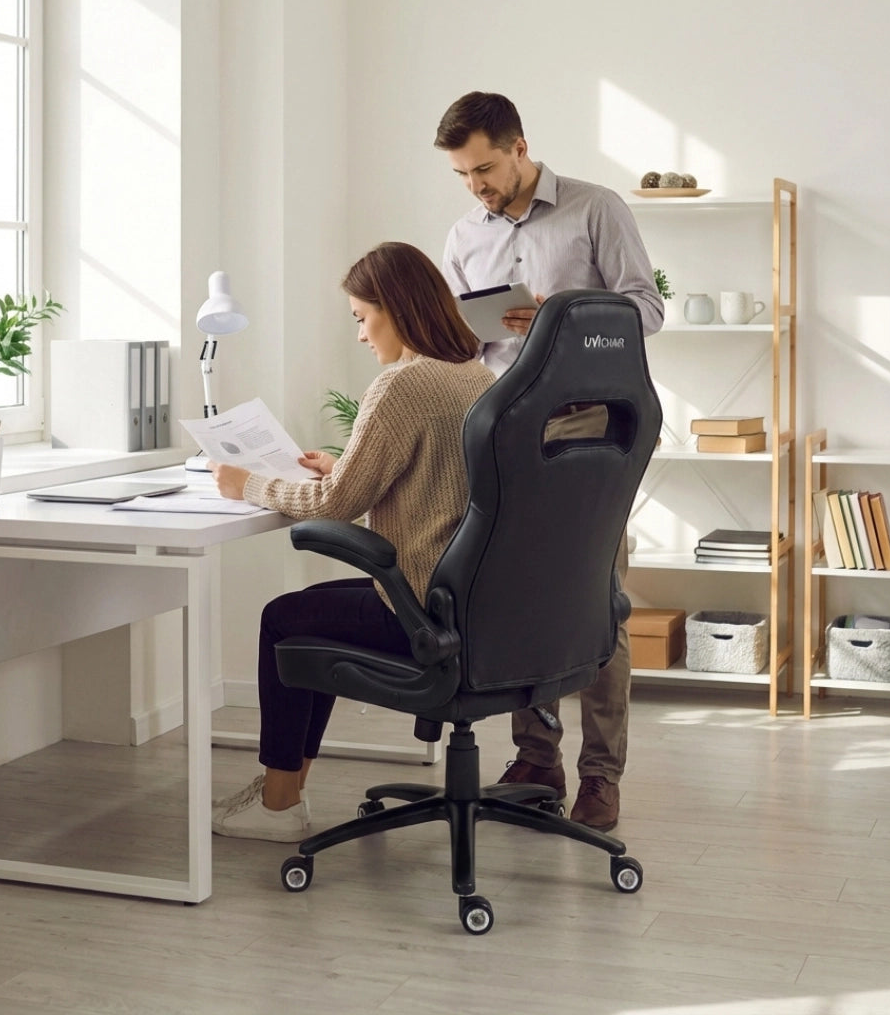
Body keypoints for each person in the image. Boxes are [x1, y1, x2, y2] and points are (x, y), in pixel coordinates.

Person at [208, 241, 495, 842]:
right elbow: (439, 473)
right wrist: (344, 464)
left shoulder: (403, 384)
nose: (362, 335)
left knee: (285, 620)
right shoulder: (475, 375)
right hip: (475, 602)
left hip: (418, 607)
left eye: (363, 317)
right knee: (311, 620)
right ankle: (285, 788)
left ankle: (281, 805)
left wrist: (246, 484)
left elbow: (338, 507)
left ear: (395, 309)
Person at [434, 91, 664, 832]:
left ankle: (601, 776)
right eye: (465, 175)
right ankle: (536, 758)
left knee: (599, 599)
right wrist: (465, 334)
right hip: (505, 436)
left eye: (487, 168)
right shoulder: (465, 235)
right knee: (518, 599)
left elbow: (647, 309)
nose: (478, 186)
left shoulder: (596, 209)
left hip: (592, 432)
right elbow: (455, 345)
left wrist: (560, 315)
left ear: (521, 145)